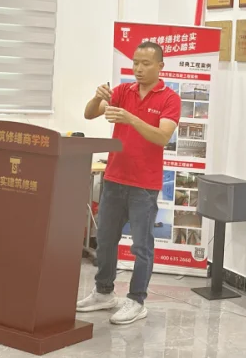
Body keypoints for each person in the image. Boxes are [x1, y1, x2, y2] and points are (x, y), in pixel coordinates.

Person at [76, 42, 181, 325]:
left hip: (144, 185)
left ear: (160, 66)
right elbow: (90, 113)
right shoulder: (123, 91)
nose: (138, 68)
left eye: (146, 63)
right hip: (114, 178)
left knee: (141, 246)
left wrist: (131, 118)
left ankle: (136, 300)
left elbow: (162, 137)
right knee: (105, 239)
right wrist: (96, 97)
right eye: (135, 62)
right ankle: (104, 293)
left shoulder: (170, 99)